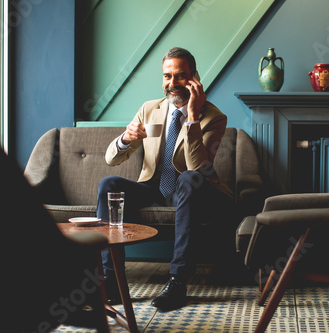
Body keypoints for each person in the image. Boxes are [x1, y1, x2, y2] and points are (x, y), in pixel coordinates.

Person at [97, 47, 233, 310]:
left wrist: (192, 117)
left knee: (189, 179)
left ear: (194, 78)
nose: (172, 83)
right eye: (167, 76)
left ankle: (178, 282)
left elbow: (198, 168)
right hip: (154, 187)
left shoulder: (214, 117)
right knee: (108, 184)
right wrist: (126, 139)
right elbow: (111, 159)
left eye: (180, 76)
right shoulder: (150, 109)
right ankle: (110, 281)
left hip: (196, 189)